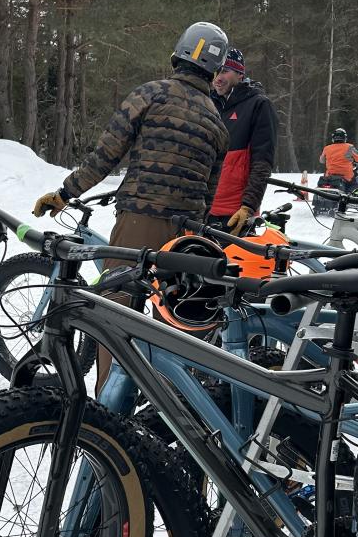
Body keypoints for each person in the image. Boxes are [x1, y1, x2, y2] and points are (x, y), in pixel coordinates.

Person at [32, 21, 230, 389]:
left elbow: (105, 156)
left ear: (179, 55)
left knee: (115, 311)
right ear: (215, 70)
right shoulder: (216, 121)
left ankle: (108, 406)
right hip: (186, 234)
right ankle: (167, 402)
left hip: (140, 220)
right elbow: (209, 191)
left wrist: (65, 194)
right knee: (171, 323)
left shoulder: (150, 94)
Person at [206, 47, 278, 232]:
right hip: (203, 209)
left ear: (240, 74)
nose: (217, 78)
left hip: (234, 213)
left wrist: (248, 206)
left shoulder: (259, 104)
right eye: (215, 72)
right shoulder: (207, 104)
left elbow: (262, 162)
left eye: (224, 71)